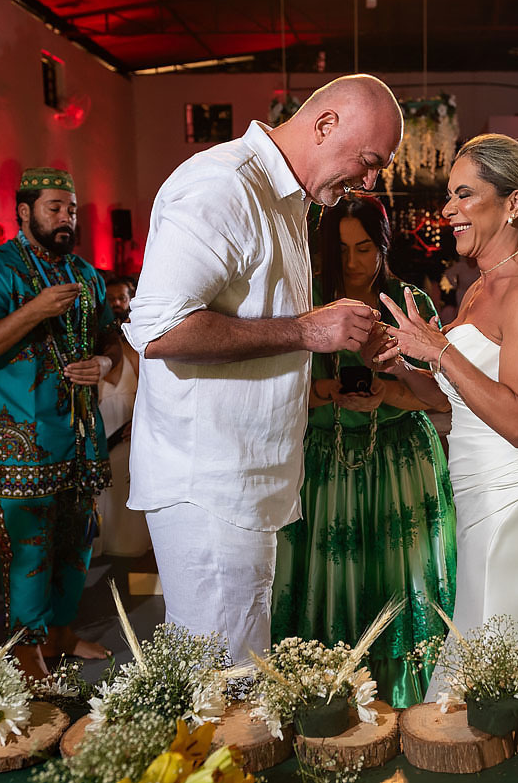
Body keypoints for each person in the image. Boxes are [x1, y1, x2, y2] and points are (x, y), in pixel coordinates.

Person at [123, 74, 402, 664]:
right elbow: (160, 331)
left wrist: (343, 340)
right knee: (219, 685)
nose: (370, 182)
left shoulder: (289, 199)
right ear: (325, 125)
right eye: (369, 161)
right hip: (209, 483)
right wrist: (306, 330)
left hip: (246, 479)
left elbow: (262, 323)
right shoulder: (223, 185)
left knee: (238, 673)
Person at [377, 134, 518, 707]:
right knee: (490, 653)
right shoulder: (481, 286)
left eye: (463, 195)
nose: (447, 210)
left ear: (513, 204)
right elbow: (456, 402)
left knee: (508, 673)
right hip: (482, 496)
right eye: (449, 196)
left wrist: (440, 351)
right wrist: (401, 363)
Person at [271, 195, 456, 707]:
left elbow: (441, 398)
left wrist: (389, 390)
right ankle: (323, 695)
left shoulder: (408, 302)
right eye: (341, 249)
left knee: (401, 575)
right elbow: (275, 390)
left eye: (364, 248)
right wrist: (324, 392)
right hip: (326, 457)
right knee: (328, 577)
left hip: (400, 457)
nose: (352, 262)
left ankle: (407, 698)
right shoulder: (308, 300)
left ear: (384, 247)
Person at [0, 167, 115, 678]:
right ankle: (28, 652)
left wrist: (105, 365)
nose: (67, 218)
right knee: (28, 554)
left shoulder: (86, 275)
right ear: (24, 212)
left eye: (71, 209)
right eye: (55, 208)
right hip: (18, 443)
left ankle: (64, 634)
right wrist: (34, 310)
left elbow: (112, 338)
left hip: (80, 439)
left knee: (77, 543)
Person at [94, 276, 148, 558]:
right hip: (99, 434)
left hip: (129, 431)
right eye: (110, 299)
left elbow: (151, 393)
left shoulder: (136, 347)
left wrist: (138, 424)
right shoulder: (95, 350)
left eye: (120, 298)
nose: (115, 304)